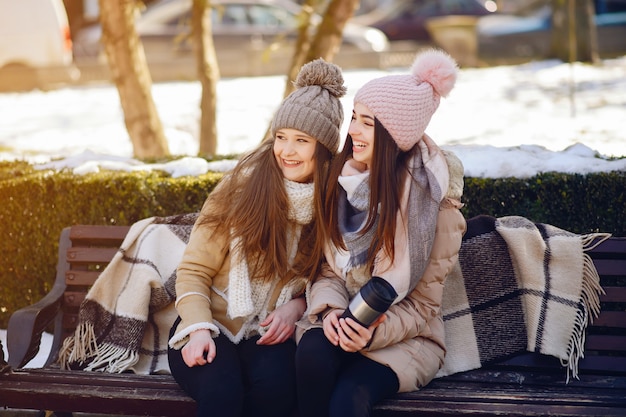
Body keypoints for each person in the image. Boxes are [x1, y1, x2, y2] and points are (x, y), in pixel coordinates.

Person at [167, 58, 346, 417]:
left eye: (301, 141)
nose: (286, 151)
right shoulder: (242, 189)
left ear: (323, 150)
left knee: (279, 393)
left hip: (265, 333)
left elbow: (326, 277)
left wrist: (295, 307)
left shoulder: (330, 205)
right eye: (280, 137)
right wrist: (198, 329)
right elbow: (193, 271)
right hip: (209, 322)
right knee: (222, 393)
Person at [295, 49, 467, 417]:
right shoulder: (341, 183)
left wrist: (371, 333)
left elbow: (422, 307)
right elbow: (327, 271)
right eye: (354, 118)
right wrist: (332, 314)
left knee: (348, 397)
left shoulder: (435, 209)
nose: (352, 130)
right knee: (310, 359)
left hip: (403, 338)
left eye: (367, 123)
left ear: (394, 135)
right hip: (343, 320)